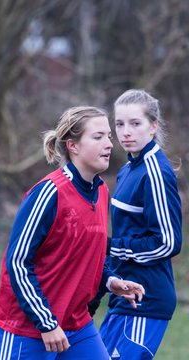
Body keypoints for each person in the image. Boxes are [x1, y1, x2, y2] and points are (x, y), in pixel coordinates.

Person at [0, 105, 145, 360]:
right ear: (72, 146)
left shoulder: (102, 191)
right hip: (26, 330)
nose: (109, 143)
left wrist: (109, 280)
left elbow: (88, 254)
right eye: (98, 137)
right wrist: (46, 322)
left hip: (75, 326)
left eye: (108, 136)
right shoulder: (49, 193)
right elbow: (17, 262)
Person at [98, 89, 182, 359]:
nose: (126, 132)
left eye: (135, 123)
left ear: (153, 126)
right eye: (120, 124)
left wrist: (111, 248)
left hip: (147, 300)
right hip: (123, 297)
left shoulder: (155, 172)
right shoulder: (128, 169)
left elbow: (168, 242)